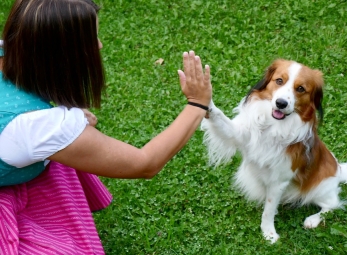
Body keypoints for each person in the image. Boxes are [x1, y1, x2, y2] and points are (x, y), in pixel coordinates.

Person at [0, 0, 212, 254]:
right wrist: (197, 104)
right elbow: (145, 163)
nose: (99, 45)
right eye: (91, 40)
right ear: (61, 53)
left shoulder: (8, 51)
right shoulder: (42, 126)